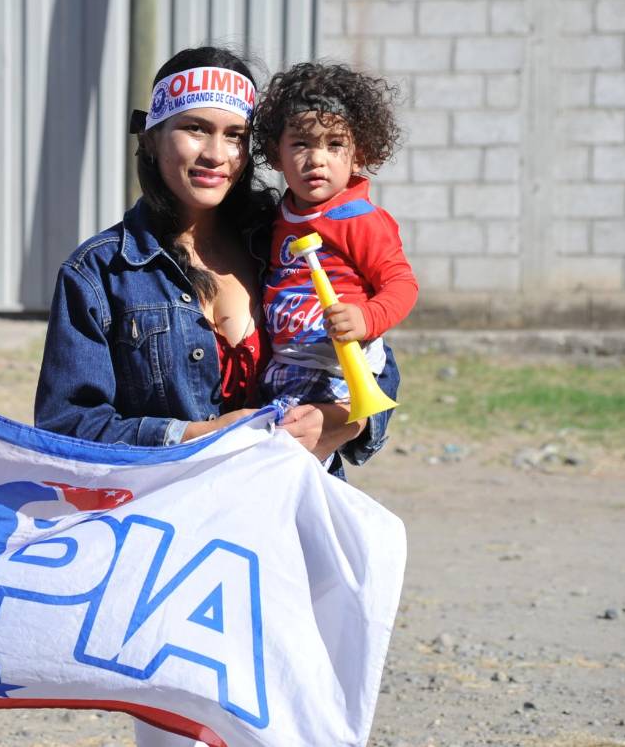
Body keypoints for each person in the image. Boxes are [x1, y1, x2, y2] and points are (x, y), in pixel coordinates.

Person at [32, 46, 399, 747]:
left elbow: (377, 369)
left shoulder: (292, 237)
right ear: (154, 135)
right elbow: (67, 427)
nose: (217, 153)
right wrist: (196, 436)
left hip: (295, 538)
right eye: (195, 128)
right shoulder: (99, 270)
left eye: (236, 134)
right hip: (175, 561)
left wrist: (329, 419)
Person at [253, 61, 417, 410]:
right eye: (300, 143)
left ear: (360, 155)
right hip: (286, 364)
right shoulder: (277, 216)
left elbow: (402, 284)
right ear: (275, 153)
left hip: (335, 371)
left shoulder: (359, 219)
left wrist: (366, 318)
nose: (317, 159)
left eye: (335, 144)